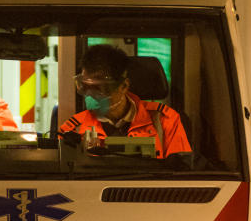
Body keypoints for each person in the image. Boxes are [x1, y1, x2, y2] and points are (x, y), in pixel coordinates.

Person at [59, 44, 192, 159]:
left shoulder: (164, 120)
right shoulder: (72, 130)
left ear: (123, 86)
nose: (90, 95)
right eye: (85, 87)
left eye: (100, 88)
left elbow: (180, 174)